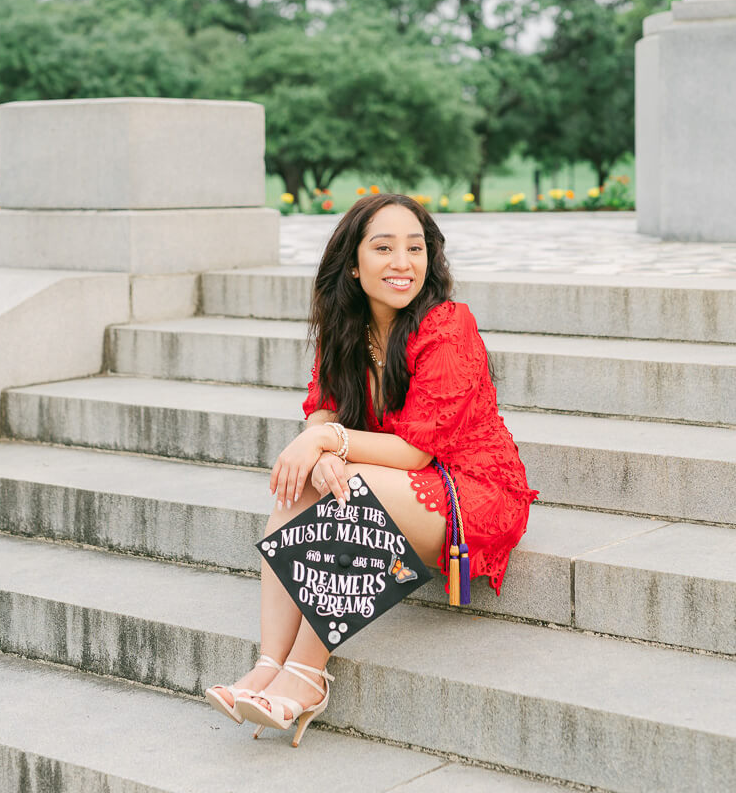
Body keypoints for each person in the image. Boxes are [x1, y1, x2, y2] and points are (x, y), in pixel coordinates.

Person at [205, 192, 538, 746]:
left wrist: (327, 444)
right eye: (383, 248)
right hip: (393, 483)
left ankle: (307, 675)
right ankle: (268, 666)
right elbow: (323, 404)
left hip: (473, 490)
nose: (402, 262)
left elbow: (416, 452)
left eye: (415, 248)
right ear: (354, 265)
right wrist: (319, 450)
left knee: (346, 491)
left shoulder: (447, 325)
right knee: (297, 493)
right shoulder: (348, 329)